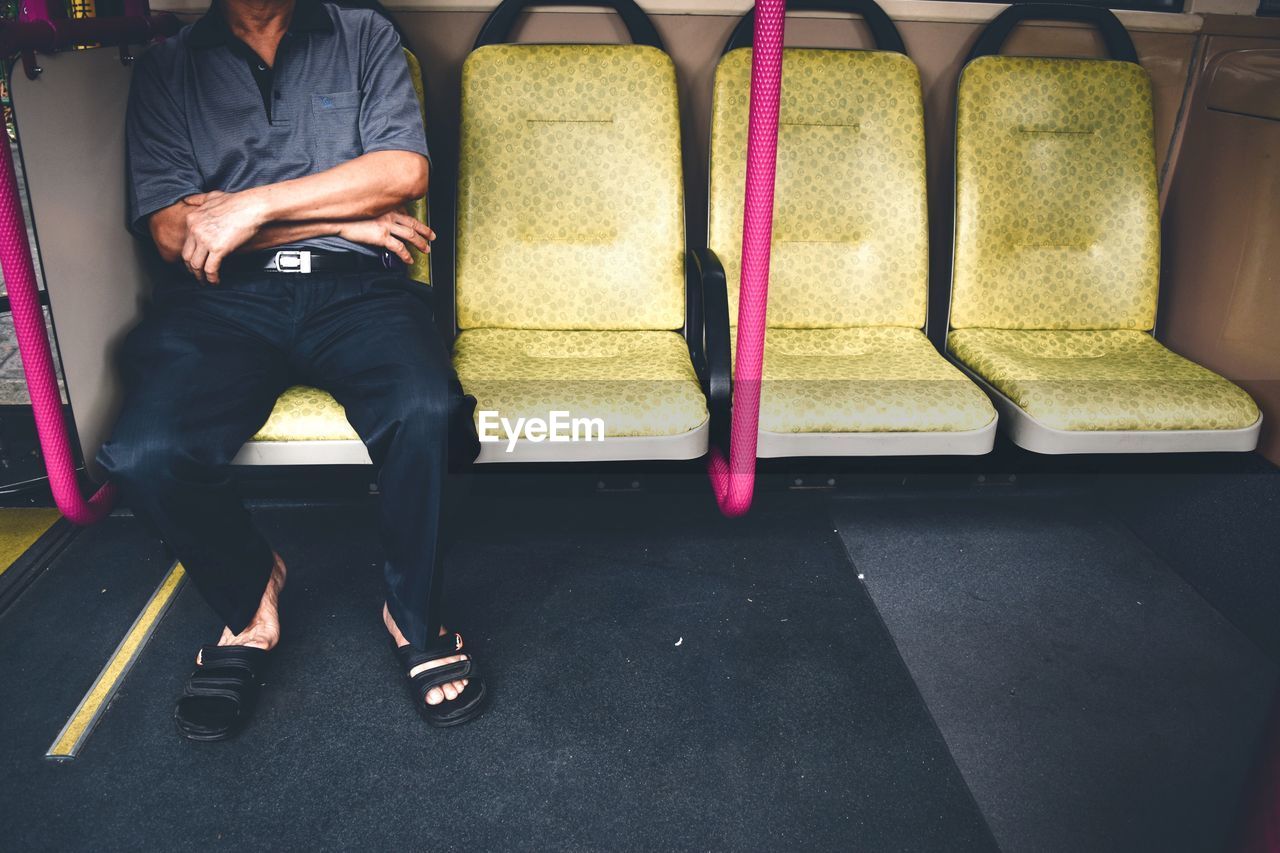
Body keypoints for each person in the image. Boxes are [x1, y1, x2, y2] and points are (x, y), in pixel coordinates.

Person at [97, 0, 486, 738]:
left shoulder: (364, 35)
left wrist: (251, 208)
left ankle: (411, 612)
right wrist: (341, 214)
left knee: (428, 413)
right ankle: (252, 599)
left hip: (358, 287)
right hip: (221, 298)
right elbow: (175, 228)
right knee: (146, 452)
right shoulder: (167, 66)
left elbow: (401, 171)